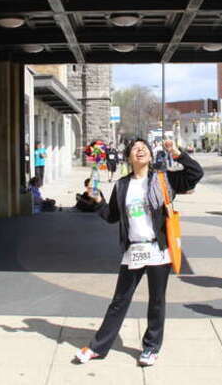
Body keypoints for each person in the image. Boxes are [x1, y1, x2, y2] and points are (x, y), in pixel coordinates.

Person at [75, 138, 203, 367]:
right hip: (133, 249)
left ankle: (151, 348)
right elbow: (111, 216)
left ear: (151, 156)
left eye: (144, 147)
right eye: (135, 148)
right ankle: (97, 347)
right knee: (119, 300)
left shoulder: (164, 179)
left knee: (156, 301)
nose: (140, 149)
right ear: (129, 157)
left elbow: (195, 173)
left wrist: (176, 153)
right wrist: (96, 201)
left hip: (158, 248)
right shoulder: (123, 185)